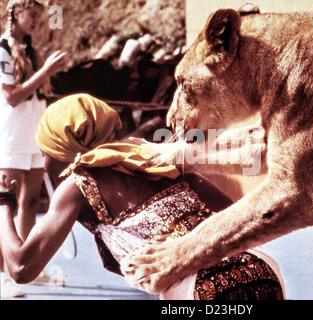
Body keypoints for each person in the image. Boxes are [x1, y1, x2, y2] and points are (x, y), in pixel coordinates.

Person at [0, 94, 285, 300]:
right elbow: (236, 219)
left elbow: (22, 268)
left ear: (63, 147)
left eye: (47, 151)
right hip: (261, 270)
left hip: (203, 290)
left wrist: (3, 204)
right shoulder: (158, 158)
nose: (46, 159)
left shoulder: (78, 186)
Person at [0, 0, 67, 298]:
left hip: (34, 133)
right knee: (6, 202)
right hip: (12, 134)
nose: (37, 20)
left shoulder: (30, 50)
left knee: (29, 202)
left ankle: (23, 269)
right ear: (16, 13)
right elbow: (12, 96)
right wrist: (46, 70)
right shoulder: (2, 48)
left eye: (40, 16)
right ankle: (3, 273)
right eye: (32, 14)